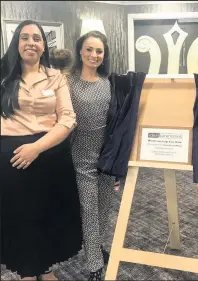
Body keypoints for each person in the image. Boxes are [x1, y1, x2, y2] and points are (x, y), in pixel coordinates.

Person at [0, 20, 82, 280]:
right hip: (11, 159)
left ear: (44, 45)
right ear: (17, 43)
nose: (31, 43)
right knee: (19, 217)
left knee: (48, 215)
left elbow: (68, 119)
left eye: (36, 38)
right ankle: (26, 270)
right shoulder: (3, 76)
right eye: (25, 38)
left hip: (50, 154)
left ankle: (45, 268)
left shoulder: (56, 77)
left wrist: (36, 148)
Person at [67, 31, 115, 281]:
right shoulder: (67, 81)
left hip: (105, 155)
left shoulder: (109, 82)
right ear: (80, 51)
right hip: (80, 154)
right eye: (89, 49)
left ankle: (95, 246)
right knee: (89, 209)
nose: (94, 55)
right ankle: (94, 264)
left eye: (98, 51)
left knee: (104, 207)